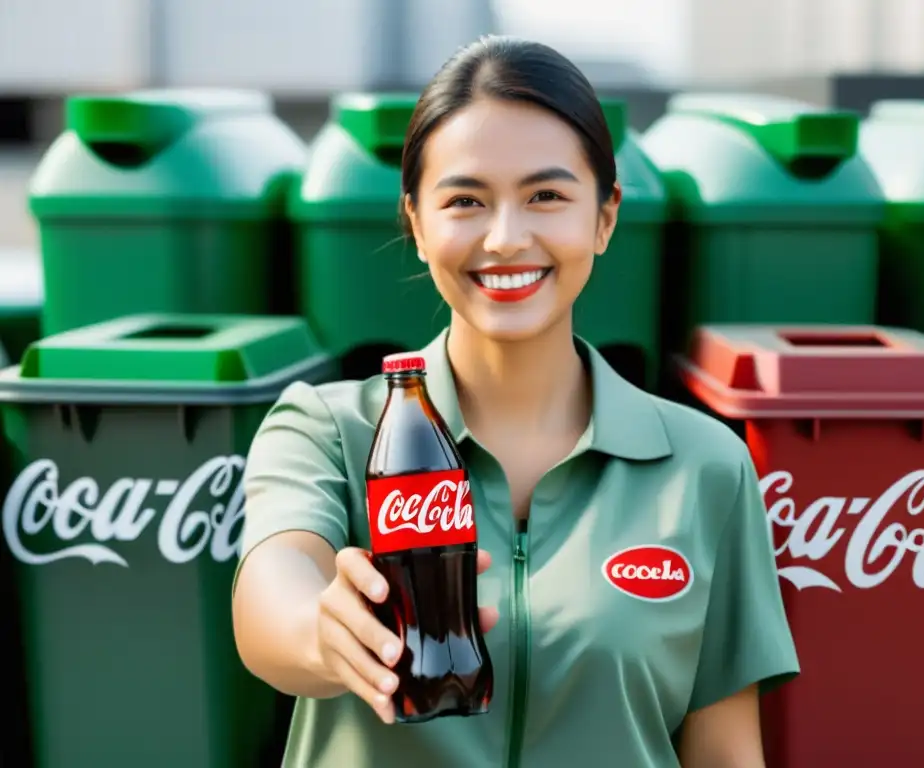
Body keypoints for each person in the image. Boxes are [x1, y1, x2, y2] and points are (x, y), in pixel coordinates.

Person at [232, 35, 799, 768]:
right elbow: (269, 605)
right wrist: (324, 629)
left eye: (547, 197)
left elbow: (724, 752)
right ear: (416, 221)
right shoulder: (327, 429)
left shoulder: (706, 467)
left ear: (604, 217)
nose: (505, 238)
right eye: (465, 200)